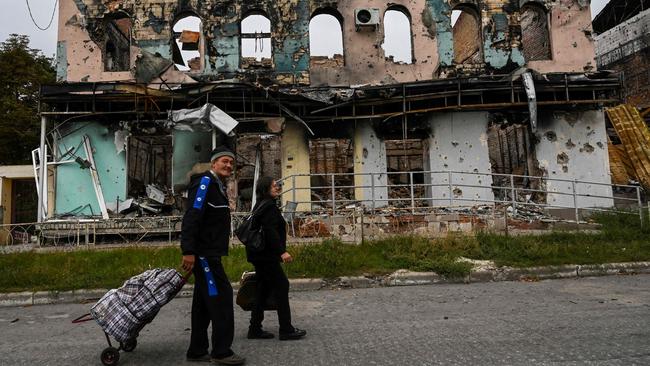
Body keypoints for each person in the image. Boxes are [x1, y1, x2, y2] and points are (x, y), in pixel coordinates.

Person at [180, 146, 245, 365]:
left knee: (203, 302)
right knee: (221, 300)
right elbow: (192, 216)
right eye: (224, 161)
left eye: (231, 163)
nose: (228, 165)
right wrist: (188, 251)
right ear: (214, 163)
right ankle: (221, 352)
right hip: (204, 254)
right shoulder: (205, 183)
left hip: (209, 253)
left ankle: (197, 350)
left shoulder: (217, 185)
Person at [246, 176, 307, 341]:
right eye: (274, 186)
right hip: (266, 255)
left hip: (259, 255)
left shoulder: (260, 204)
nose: (277, 188)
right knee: (282, 285)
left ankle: (254, 329)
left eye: (277, 185)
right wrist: (282, 252)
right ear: (265, 188)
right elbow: (270, 231)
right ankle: (286, 329)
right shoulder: (268, 207)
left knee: (262, 289)